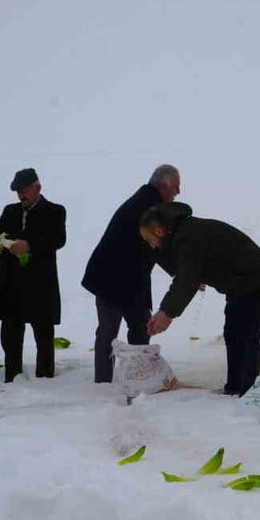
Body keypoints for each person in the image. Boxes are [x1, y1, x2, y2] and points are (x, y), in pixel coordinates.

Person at [141, 202, 260, 396]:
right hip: (242, 282)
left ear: (159, 231)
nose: (150, 244)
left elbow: (186, 279)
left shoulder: (187, 235)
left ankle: (246, 391)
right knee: (234, 332)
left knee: (245, 333)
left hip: (255, 278)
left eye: (149, 238)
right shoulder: (182, 233)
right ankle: (236, 387)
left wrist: (167, 313)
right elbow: (187, 272)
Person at [81, 164, 181, 383]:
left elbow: (156, 248)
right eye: (176, 186)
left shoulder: (148, 202)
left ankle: (137, 377)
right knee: (110, 331)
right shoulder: (148, 207)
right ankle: (106, 382)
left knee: (138, 327)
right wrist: (180, 271)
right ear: (163, 186)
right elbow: (159, 248)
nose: (178, 192)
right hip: (111, 278)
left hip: (130, 279)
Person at [0, 168, 67, 382]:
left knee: (43, 333)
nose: (21, 196)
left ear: (37, 188)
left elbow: (58, 239)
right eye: (18, 192)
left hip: (40, 283)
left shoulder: (55, 211)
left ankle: (45, 376)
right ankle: (13, 375)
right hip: (11, 284)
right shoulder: (11, 211)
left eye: (24, 190)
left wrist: (29, 245)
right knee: (11, 334)